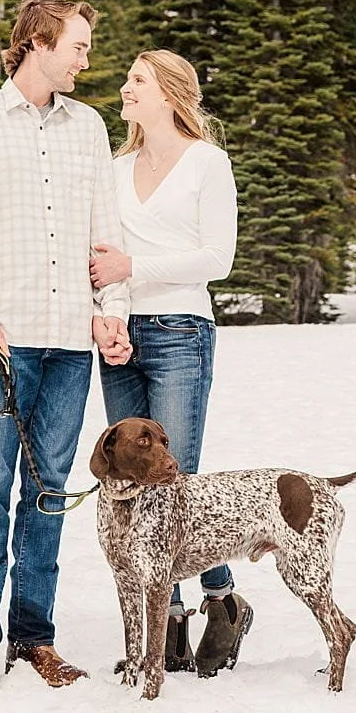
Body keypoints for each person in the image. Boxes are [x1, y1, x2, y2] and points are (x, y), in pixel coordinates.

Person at [0, 0, 132, 689]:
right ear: (38, 43)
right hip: (2, 339)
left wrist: (110, 309)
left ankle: (35, 636)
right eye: (78, 46)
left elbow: (103, 231)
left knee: (49, 490)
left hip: (67, 345)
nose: (86, 59)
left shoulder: (88, 128)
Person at [90, 49, 245, 673]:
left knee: (173, 477)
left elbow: (218, 259)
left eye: (137, 80)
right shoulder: (116, 165)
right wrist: (112, 313)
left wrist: (135, 269)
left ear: (170, 94)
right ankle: (170, 618)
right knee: (131, 479)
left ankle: (221, 600)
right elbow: (104, 252)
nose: (124, 88)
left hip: (183, 328)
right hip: (123, 334)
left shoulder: (208, 163)